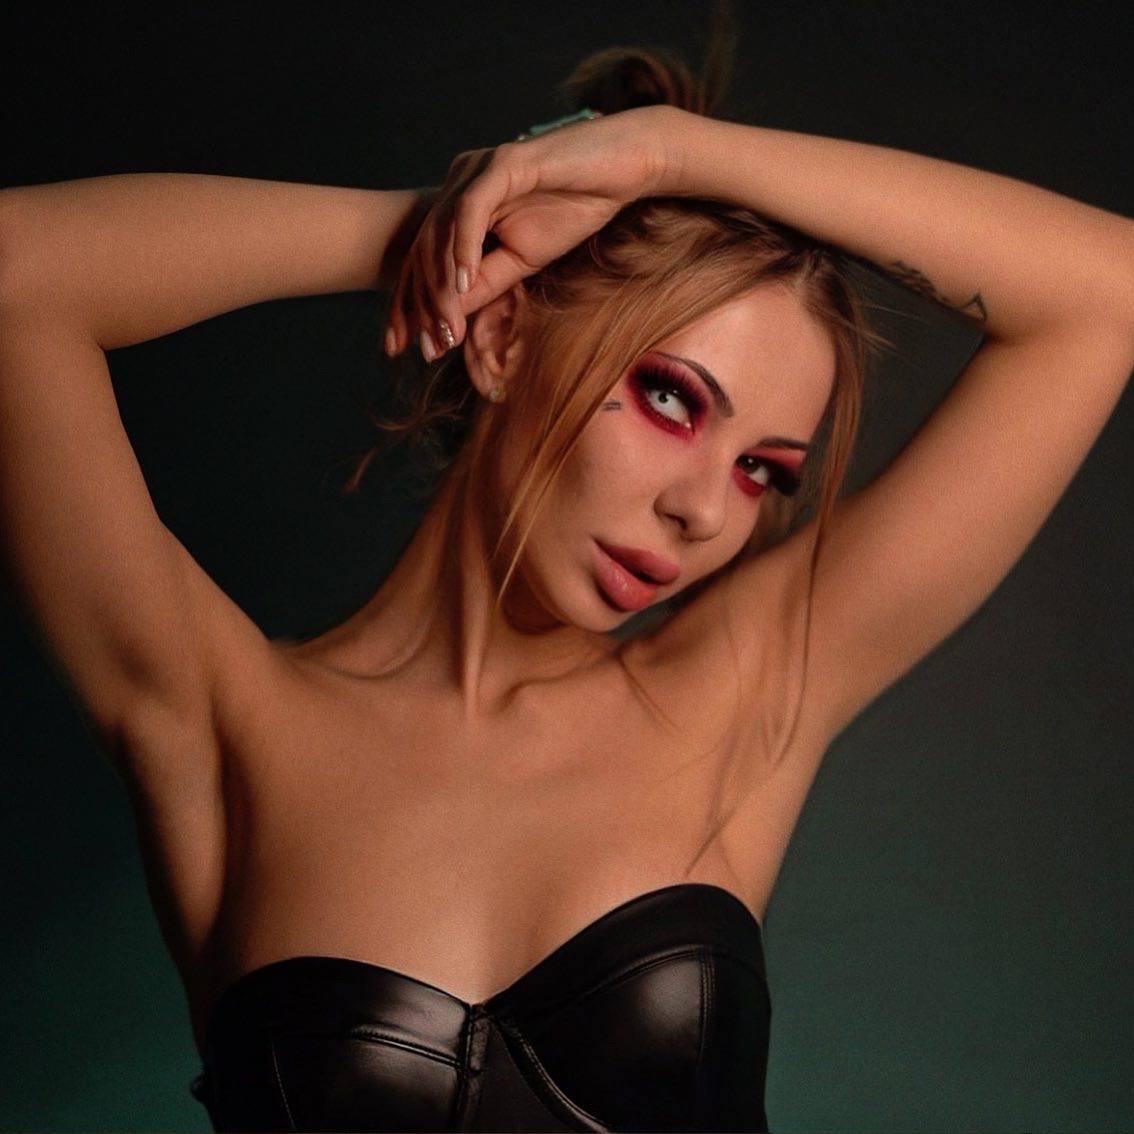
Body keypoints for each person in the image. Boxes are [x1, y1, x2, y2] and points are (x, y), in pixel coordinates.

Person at [1, 33, 1131, 1134]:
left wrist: (669, 153)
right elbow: (17, 272)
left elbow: (1105, 293)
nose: (705, 510)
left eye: (762, 471)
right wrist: (453, 236)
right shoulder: (224, 722)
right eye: (673, 400)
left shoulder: (733, 697)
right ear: (501, 339)